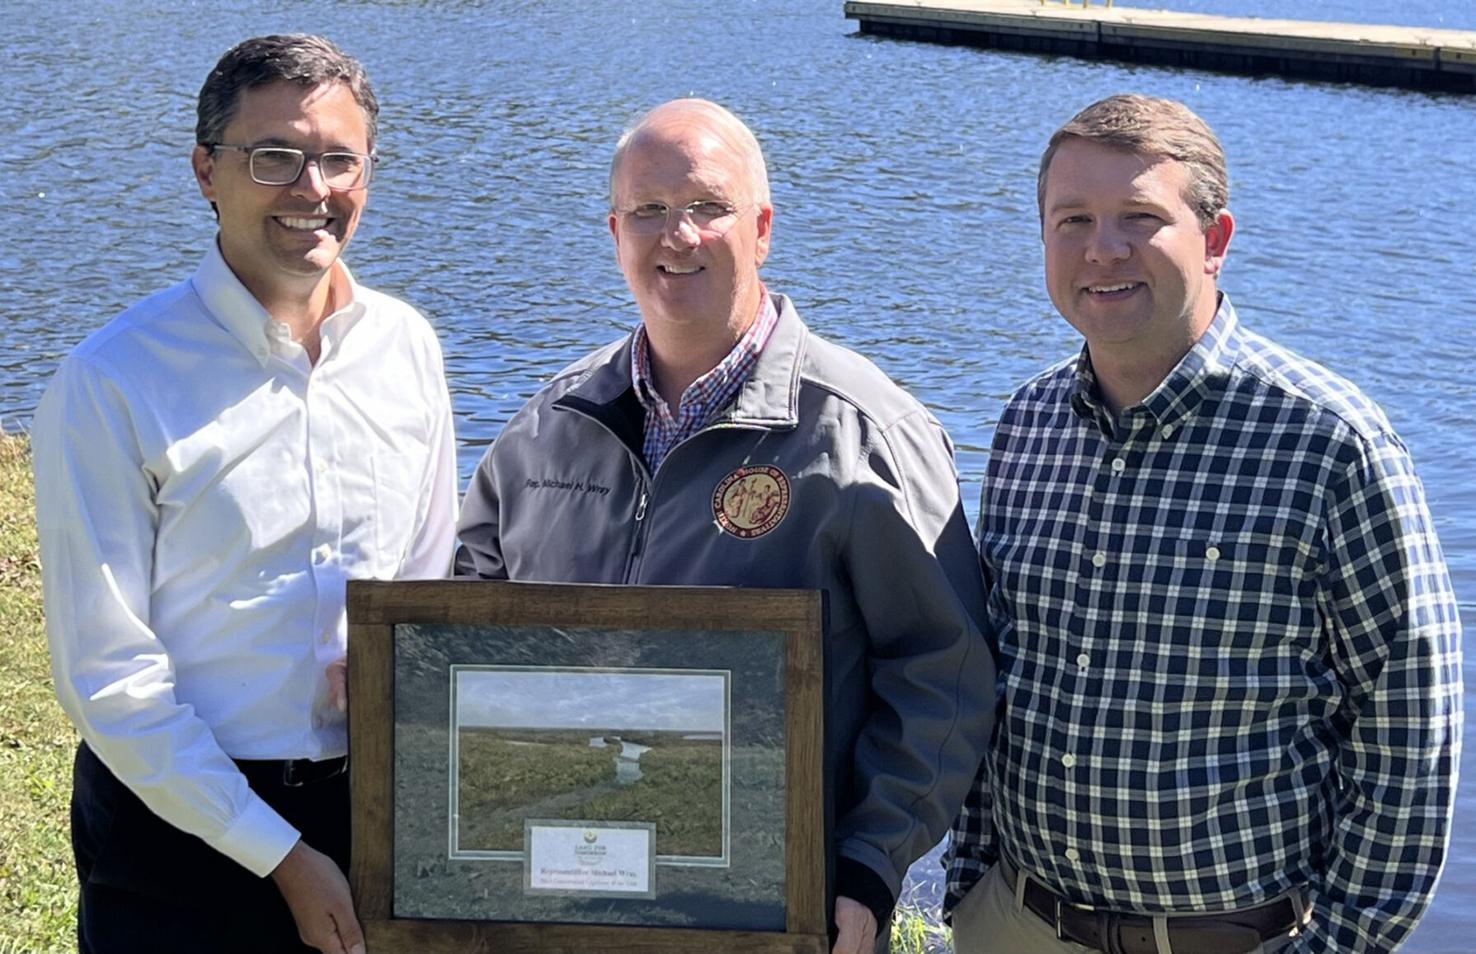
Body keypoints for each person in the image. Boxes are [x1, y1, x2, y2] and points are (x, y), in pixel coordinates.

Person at [455, 97, 994, 954]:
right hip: (560, 891)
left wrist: (869, 864)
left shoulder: (864, 433)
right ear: (615, 231)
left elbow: (943, 669)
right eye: (650, 211)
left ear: (763, 227)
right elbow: (465, 629)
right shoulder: (548, 425)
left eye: (708, 207)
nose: (679, 236)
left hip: (772, 909)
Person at [945, 93, 1462, 954]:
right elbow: (993, 673)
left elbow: (1412, 725)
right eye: (1072, 219)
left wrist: (1337, 944)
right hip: (1018, 923)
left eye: (1139, 218)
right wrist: (970, 885)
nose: (1101, 250)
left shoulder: (1329, 443)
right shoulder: (1026, 423)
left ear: (1215, 241)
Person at [32, 34, 458, 954]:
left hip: (371, 806)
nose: (313, 188)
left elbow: (425, 577)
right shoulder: (111, 380)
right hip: (176, 827)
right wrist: (282, 857)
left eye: (340, 159)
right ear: (205, 171)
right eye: (275, 157)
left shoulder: (408, 348)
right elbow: (107, 677)